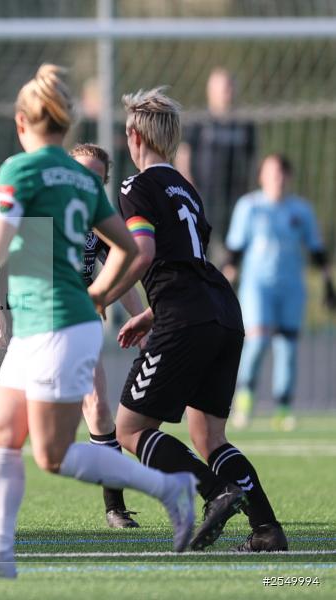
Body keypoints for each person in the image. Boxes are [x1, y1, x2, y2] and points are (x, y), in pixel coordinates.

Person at [0, 66, 197, 580]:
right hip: (57, 322)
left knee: (52, 454)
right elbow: (124, 247)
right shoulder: (81, 176)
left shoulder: (18, 169)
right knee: (4, 435)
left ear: (21, 122)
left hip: (55, 327)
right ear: (62, 126)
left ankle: (172, 488)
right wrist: (97, 294)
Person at [110, 87, 287, 552]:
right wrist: (150, 313)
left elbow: (145, 252)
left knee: (129, 428)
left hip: (186, 317)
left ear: (133, 136)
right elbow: (187, 261)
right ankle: (267, 530)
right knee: (209, 435)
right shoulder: (187, 190)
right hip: (223, 311)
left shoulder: (136, 186)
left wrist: (99, 295)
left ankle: (215, 493)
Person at [0, 143, 149, 530]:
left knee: (96, 406)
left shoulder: (95, 220)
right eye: (80, 173)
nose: (85, 182)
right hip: (20, 318)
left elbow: (121, 270)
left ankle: (115, 507)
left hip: (75, 317)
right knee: (15, 425)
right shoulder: (34, 205)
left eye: (95, 178)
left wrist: (142, 319)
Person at [223, 154, 336, 431]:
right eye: (272, 172)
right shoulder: (249, 207)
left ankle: (283, 408)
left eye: (283, 172)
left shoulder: (301, 211)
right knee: (258, 341)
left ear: (289, 177)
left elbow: (317, 251)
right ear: (262, 176)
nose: (278, 178)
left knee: (287, 347)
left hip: (291, 288)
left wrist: (328, 284)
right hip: (257, 286)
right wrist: (223, 289)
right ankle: (245, 398)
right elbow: (234, 253)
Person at [175, 67, 257, 249]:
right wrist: (188, 188)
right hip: (204, 195)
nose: (226, 93)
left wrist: (251, 190)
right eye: (222, 89)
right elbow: (184, 155)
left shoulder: (244, 124)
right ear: (210, 91)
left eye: (229, 87)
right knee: (203, 244)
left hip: (236, 196)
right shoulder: (199, 121)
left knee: (234, 246)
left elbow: (253, 160)